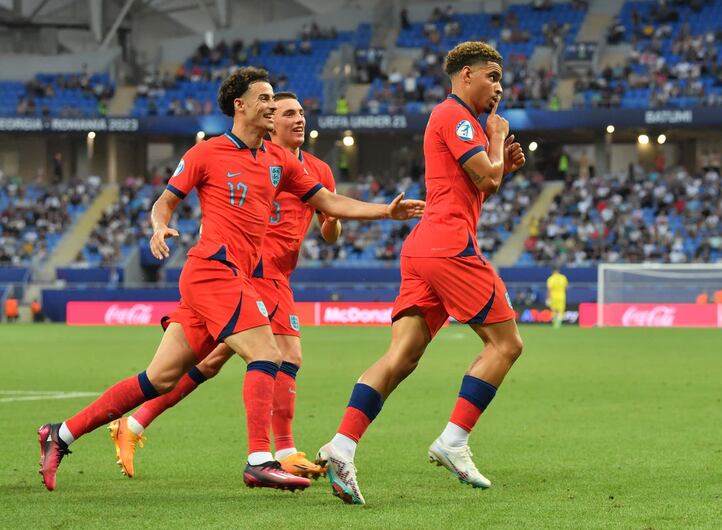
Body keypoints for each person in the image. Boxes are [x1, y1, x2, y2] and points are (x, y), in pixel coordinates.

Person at [37, 67, 424, 492]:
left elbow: (328, 201)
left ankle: (61, 433)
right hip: (212, 270)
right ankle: (260, 458)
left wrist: (386, 212)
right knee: (268, 352)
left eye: (275, 100)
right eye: (265, 99)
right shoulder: (207, 153)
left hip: (231, 277)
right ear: (240, 105)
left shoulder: (279, 161)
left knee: (158, 378)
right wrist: (159, 226)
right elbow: (165, 202)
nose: (272, 106)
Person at [315, 41, 526, 505]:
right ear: (466, 74)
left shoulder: (452, 120)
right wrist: (495, 139)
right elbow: (485, 181)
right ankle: (453, 441)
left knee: (401, 357)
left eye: (501, 80)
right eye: (492, 76)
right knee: (507, 343)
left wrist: (499, 165)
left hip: (425, 247)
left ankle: (342, 445)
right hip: (449, 247)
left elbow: (476, 189)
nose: (499, 87)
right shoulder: (457, 117)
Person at [107, 91, 342, 480]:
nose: (298, 119)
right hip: (251, 272)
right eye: (286, 113)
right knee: (282, 356)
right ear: (270, 121)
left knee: (213, 361)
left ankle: (135, 424)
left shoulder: (316, 169)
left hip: (280, 275)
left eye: (301, 112)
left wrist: (331, 223)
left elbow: (330, 228)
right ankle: (279, 451)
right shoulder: (258, 160)